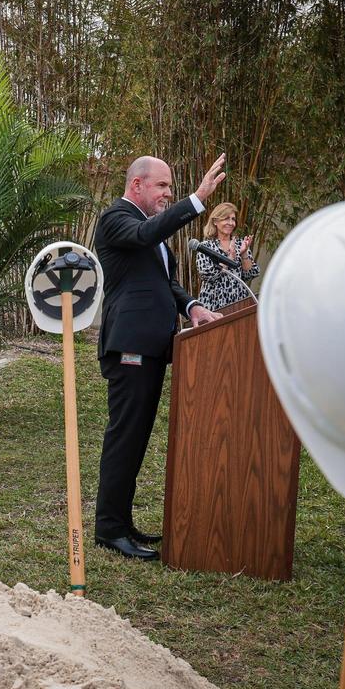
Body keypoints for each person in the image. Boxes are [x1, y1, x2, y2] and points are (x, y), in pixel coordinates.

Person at [93, 154, 226, 560]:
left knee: (137, 439)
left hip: (154, 347)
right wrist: (198, 200)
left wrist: (192, 307)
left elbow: (165, 282)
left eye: (172, 188)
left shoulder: (149, 231)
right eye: (163, 187)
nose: (168, 194)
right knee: (124, 437)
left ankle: (122, 522)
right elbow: (144, 235)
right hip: (130, 345)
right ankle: (109, 529)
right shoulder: (116, 218)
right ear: (137, 185)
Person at [195, 202, 261, 311]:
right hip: (213, 302)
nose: (230, 223)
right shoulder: (205, 247)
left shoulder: (240, 244)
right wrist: (229, 259)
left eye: (233, 219)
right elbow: (207, 275)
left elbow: (250, 274)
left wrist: (244, 253)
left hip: (238, 301)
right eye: (226, 218)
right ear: (215, 221)